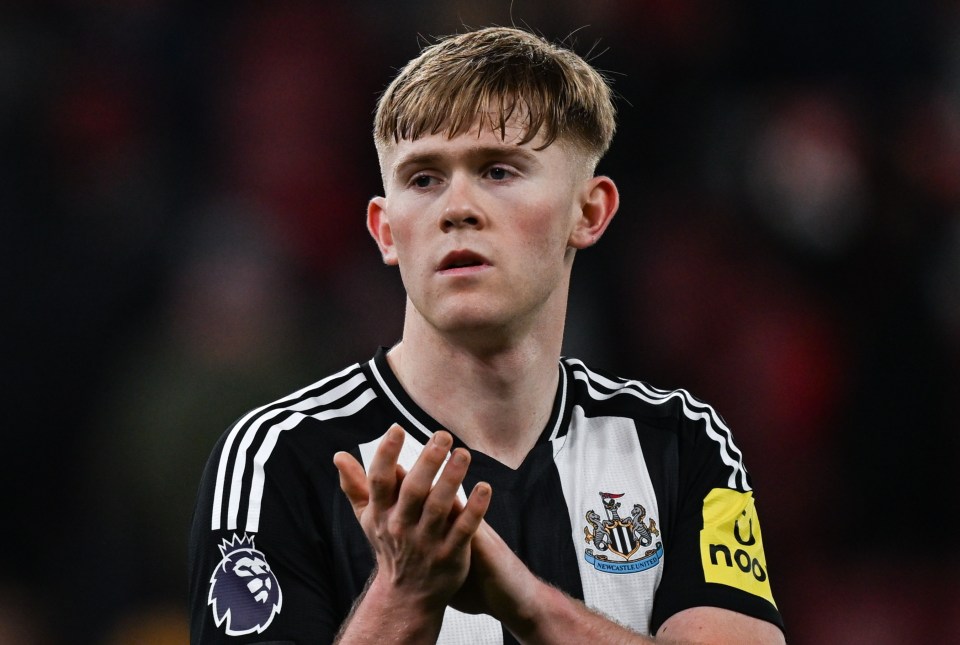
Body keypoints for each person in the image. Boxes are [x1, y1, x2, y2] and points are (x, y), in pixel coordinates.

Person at [188, 26, 786, 644]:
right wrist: (405, 592)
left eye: (498, 170)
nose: (457, 207)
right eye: (423, 179)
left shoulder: (678, 443)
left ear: (589, 212)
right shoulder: (279, 458)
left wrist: (526, 605)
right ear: (386, 230)